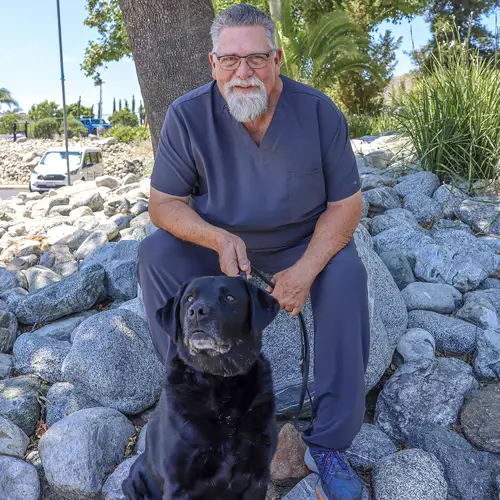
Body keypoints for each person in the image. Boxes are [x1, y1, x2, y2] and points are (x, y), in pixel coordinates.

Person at [137, 4, 370, 499]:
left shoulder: (317, 111)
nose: (243, 73)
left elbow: (348, 206)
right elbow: (163, 205)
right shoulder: (187, 115)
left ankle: (328, 444)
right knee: (157, 254)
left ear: (277, 59)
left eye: (257, 59)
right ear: (212, 63)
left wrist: (306, 270)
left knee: (347, 277)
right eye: (230, 60)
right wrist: (217, 239)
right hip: (222, 247)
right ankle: (191, 402)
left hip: (301, 243)